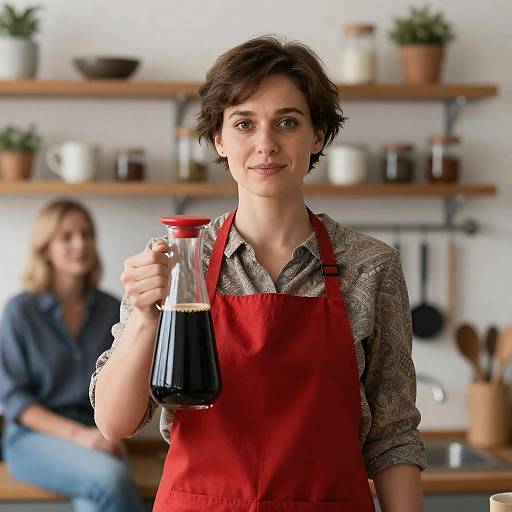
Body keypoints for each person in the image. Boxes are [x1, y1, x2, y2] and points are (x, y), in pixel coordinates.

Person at [91, 36, 427, 511]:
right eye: (244, 123)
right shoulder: (176, 260)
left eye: (287, 122)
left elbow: (393, 437)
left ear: (317, 136)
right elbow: (114, 422)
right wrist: (147, 318)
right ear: (218, 140)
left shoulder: (371, 267)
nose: (265, 144)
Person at [0, 199, 145, 512]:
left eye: (87, 234)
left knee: (96, 503)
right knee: (111, 479)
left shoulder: (112, 308)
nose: (80, 244)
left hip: (99, 435)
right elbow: (15, 401)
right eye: (66, 236)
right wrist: (81, 437)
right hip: (32, 438)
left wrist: (100, 434)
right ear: (46, 248)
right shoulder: (20, 312)